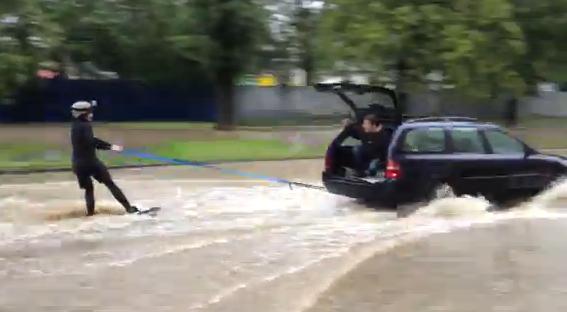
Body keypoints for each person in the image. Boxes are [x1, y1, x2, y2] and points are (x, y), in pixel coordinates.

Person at [70, 101, 139, 216]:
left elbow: (90, 139)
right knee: (110, 184)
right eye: (89, 112)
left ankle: (90, 214)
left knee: (89, 189)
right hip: (90, 162)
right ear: (83, 114)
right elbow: (91, 141)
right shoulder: (85, 125)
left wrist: (108, 146)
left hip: (78, 164)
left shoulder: (76, 126)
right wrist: (111, 146)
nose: (91, 114)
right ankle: (129, 208)